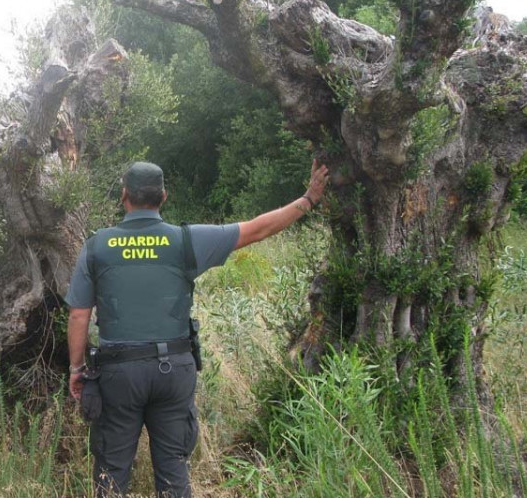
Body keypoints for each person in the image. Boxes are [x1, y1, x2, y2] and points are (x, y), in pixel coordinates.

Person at [65, 159, 329, 497]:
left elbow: (79, 315)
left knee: (112, 475)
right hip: (174, 370)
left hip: (119, 374)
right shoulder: (187, 240)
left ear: (124, 196)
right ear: (163, 196)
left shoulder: (97, 246)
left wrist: (77, 368)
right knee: (174, 470)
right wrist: (307, 199)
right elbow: (257, 229)